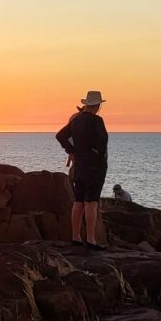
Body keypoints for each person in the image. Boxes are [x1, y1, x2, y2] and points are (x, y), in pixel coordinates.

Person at [56, 91, 109, 250]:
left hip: (79, 165)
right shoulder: (97, 120)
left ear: (86, 104)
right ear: (98, 105)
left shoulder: (76, 120)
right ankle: (91, 239)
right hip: (94, 166)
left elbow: (60, 136)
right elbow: (102, 140)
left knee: (78, 200)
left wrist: (72, 150)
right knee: (91, 201)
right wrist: (96, 153)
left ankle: (75, 237)